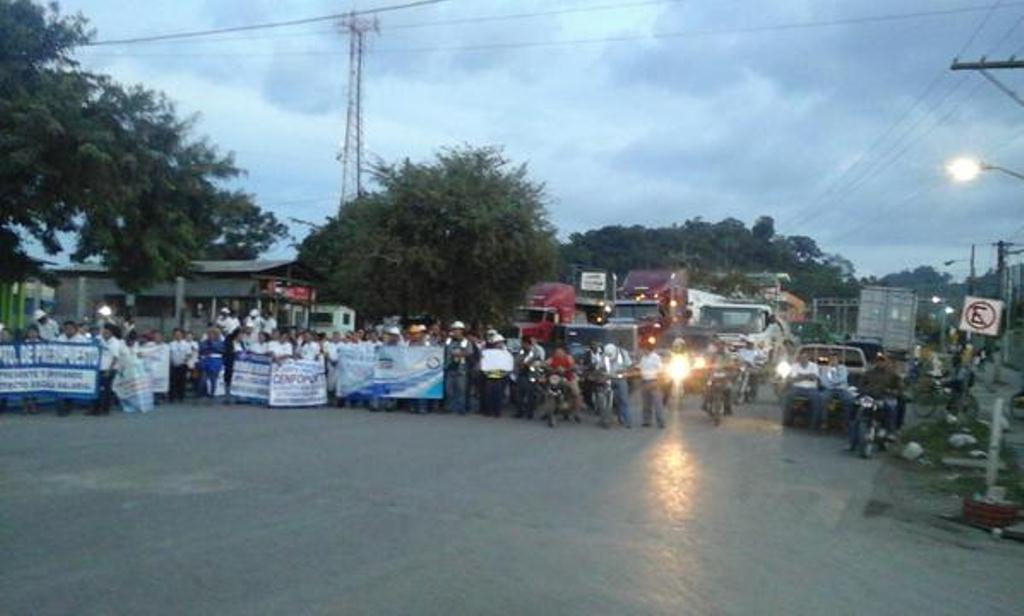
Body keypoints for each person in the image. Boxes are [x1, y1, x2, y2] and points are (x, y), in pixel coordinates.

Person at [850, 353, 902, 451]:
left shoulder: (892, 374)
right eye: (878, 361)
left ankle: (889, 432)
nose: (880, 363)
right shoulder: (869, 373)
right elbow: (860, 385)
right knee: (857, 412)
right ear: (875, 362)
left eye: (882, 361)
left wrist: (893, 392)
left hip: (884, 398)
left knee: (890, 408)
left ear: (886, 362)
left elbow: (899, 387)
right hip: (869, 398)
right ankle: (853, 441)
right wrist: (861, 391)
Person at [782, 350, 823, 427]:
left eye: (805, 357)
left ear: (808, 358)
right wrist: (808, 376)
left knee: (817, 399)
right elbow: (793, 379)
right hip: (797, 387)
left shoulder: (814, 366)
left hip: (811, 388)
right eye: (801, 357)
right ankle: (788, 420)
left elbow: (814, 377)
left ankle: (814, 422)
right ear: (799, 358)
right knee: (788, 396)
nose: (803, 359)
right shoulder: (795, 366)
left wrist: (801, 376)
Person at [91, 324, 124, 415]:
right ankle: (95, 409)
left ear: (111, 333)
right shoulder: (100, 339)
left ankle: (105, 409)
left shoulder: (115, 342)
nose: (105, 333)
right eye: (104, 331)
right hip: (98, 368)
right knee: (96, 389)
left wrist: (108, 371)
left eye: (107, 332)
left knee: (106, 390)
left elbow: (115, 358)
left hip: (109, 369)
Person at [444, 321, 475, 415]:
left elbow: (470, 352)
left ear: (462, 331)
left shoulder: (466, 342)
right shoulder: (448, 341)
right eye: (454, 329)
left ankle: (461, 408)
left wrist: (460, 353)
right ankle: (448, 408)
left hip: (461, 369)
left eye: (458, 330)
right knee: (448, 390)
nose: (456, 331)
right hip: (449, 367)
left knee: (461, 390)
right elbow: (444, 350)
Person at [480, 334, 513, 417]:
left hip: (501, 377)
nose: (500, 344)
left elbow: (509, 364)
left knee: (498, 395)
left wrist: (505, 373)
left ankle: (497, 411)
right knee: (489, 394)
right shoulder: (487, 352)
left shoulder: (506, 353)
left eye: (501, 342)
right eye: (498, 342)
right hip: (489, 377)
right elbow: (483, 363)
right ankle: (489, 411)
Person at [546, 346, 582, 421]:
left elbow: (573, 366)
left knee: (576, 393)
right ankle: (548, 411)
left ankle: (576, 413)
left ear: (564, 352)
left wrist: (567, 369)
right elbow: (545, 365)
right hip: (556, 379)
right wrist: (548, 368)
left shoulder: (568, 358)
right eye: (557, 352)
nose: (558, 354)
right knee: (549, 392)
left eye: (560, 352)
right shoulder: (552, 359)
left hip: (569, 378)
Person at [514, 335, 546, 419]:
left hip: (531, 375)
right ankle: (520, 412)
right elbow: (517, 360)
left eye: (523, 343)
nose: (522, 344)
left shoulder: (535, 351)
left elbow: (534, 362)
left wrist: (525, 363)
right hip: (522, 374)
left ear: (526, 343)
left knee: (530, 395)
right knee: (519, 395)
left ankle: (529, 413)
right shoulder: (522, 351)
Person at [604, 343, 634, 428]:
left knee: (623, 400)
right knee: (611, 401)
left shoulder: (623, 353)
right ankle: (612, 418)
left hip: (621, 379)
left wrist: (624, 371)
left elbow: (630, 366)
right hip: (609, 379)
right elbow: (601, 366)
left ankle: (627, 421)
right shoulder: (606, 353)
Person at [821, 352, 855, 428]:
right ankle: (824, 421)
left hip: (842, 389)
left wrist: (833, 382)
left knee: (848, 400)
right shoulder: (825, 369)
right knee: (823, 398)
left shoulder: (843, 368)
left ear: (837, 360)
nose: (833, 360)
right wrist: (832, 383)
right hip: (830, 389)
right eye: (831, 359)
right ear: (829, 360)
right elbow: (823, 381)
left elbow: (842, 379)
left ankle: (845, 422)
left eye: (834, 359)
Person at [638, 344, 665, 428]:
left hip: (654, 381)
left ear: (648, 349)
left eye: (643, 349)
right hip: (644, 382)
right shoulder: (643, 358)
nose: (642, 351)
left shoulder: (655, 357)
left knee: (657, 403)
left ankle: (660, 422)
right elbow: (641, 367)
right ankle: (646, 421)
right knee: (646, 403)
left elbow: (660, 369)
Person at [198, 327, 225, 400]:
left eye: (213, 334)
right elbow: (201, 349)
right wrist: (209, 348)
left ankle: (212, 394)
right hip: (206, 361)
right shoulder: (204, 342)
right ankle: (202, 393)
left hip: (215, 361)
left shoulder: (220, 342)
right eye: (209, 334)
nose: (211, 335)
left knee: (213, 379)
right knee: (203, 378)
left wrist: (211, 345)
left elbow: (220, 349)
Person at [168, 328, 190, 403]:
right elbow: (169, 354)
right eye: (176, 334)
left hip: (183, 364)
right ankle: (172, 397)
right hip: (173, 365)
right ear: (174, 335)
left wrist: (185, 360)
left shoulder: (186, 344)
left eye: (179, 334)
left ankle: (181, 397)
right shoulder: (171, 344)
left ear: (182, 335)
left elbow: (189, 354)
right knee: (172, 381)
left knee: (182, 381)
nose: (178, 336)